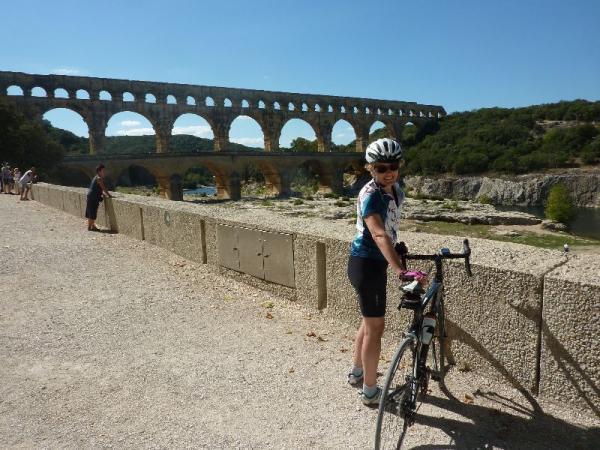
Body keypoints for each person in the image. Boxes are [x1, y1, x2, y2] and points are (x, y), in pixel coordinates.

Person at [347, 138, 420, 406]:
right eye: (381, 168)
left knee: (368, 322)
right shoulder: (372, 196)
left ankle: (357, 373)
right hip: (366, 264)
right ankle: (369, 391)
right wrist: (401, 270)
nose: (388, 171)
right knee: (376, 328)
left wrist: (395, 247)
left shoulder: (394, 189)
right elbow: (377, 233)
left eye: (393, 165)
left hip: (370, 263)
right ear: (370, 168)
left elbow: (387, 231)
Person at [85, 164, 112, 231]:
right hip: (93, 197)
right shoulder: (99, 179)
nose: (104, 172)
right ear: (99, 172)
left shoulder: (96, 177)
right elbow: (104, 188)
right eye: (103, 171)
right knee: (93, 212)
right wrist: (109, 195)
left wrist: (103, 193)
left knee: (91, 212)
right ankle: (89, 227)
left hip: (91, 196)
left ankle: (92, 226)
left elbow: (98, 189)